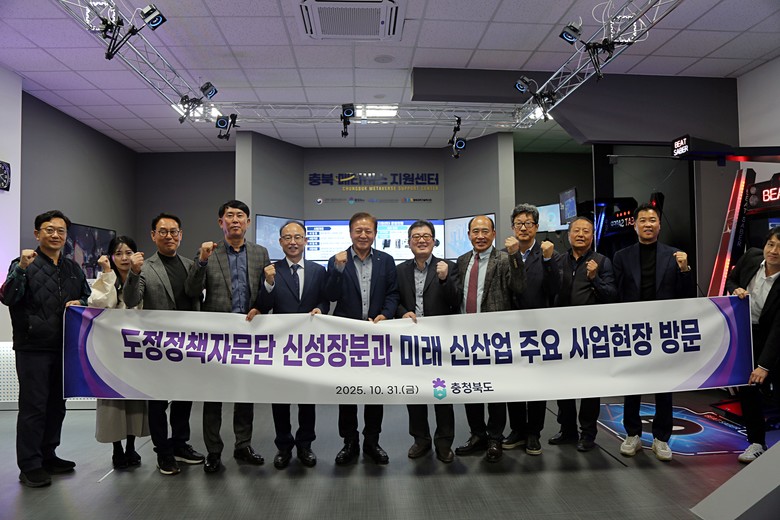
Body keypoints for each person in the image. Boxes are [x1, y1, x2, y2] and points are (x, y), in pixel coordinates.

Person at [1, 210, 91, 487]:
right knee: (34, 407)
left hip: (64, 347)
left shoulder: (73, 268)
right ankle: (30, 465)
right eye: (49, 229)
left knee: (56, 406)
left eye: (61, 231)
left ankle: (48, 455)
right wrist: (21, 269)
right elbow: (8, 297)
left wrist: (81, 303)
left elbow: (87, 297)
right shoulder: (23, 263)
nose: (55, 235)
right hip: (33, 348)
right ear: (37, 233)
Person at [184, 200, 269, 473]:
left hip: (249, 335)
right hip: (217, 337)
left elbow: (266, 291)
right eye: (229, 216)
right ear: (220, 222)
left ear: (248, 222)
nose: (235, 220)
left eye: (240, 216)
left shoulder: (260, 253)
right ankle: (214, 451)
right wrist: (201, 261)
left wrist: (261, 306)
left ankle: (243, 445)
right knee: (213, 396)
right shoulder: (209, 252)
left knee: (245, 394)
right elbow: (192, 290)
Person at [123, 213, 205, 476]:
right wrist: (133, 273)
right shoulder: (144, 267)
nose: (169, 236)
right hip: (157, 347)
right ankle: (163, 452)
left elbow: (197, 297)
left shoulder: (191, 265)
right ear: (153, 235)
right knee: (158, 402)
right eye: (163, 231)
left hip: (188, 343)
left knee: (184, 397)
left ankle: (180, 444)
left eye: (174, 231)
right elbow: (131, 300)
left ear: (181, 235)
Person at [613, 203, 695, 462]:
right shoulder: (621, 256)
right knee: (633, 384)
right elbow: (615, 295)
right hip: (633, 330)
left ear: (659, 224)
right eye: (643, 220)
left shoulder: (675, 255)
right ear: (634, 224)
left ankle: (661, 438)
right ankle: (632, 434)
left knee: (664, 385)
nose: (648, 224)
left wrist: (685, 270)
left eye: (652, 220)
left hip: (663, 331)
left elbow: (687, 296)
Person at [247, 220, 329, 469]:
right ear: (280, 242)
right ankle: (283, 446)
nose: (293, 242)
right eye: (287, 238)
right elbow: (263, 305)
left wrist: (320, 309)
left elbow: (324, 300)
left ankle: (305, 445)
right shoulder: (271, 270)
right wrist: (269, 283)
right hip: (281, 345)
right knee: (280, 398)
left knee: (307, 398)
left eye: (297, 237)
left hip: (309, 345)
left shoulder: (318, 271)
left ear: (305, 241)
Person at [324, 212, 399, 465]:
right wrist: (337, 270)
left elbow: (393, 293)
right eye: (358, 230)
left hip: (376, 336)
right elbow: (331, 295)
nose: (363, 235)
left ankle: (372, 441)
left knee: (374, 391)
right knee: (347, 392)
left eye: (368, 231)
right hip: (347, 337)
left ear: (375, 234)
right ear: (350, 233)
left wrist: (385, 314)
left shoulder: (386, 260)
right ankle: (349, 442)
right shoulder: (337, 260)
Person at [454, 215, 526, 463]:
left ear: (494, 234)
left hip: (494, 337)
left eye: (485, 231)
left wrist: (516, 256)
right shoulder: (462, 261)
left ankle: (495, 437)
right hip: (466, 337)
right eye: (475, 231)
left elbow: (519, 287)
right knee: (471, 389)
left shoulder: (504, 259)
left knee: (495, 390)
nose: (480, 236)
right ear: (469, 235)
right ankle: (477, 434)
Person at [549, 216, 616, 452]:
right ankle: (567, 429)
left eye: (586, 231)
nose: (580, 234)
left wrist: (594, 278)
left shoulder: (602, 261)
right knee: (563, 385)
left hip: (590, 336)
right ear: (568, 235)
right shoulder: (558, 261)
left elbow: (612, 295)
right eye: (576, 230)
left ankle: (588, 433)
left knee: (589, 387)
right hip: (561, 334)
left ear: (592, 236)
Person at [396, 220, 461, 463]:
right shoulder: (400, 270)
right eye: (416, 236)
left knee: (441, 394)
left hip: (440, 343)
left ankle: (444, 443)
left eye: (426, 236)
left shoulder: (448, 267)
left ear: (434, 240)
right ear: (409, 242)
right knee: (415, 394)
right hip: (411, 343)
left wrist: (444, 280)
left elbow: (456, 301)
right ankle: (420, 440)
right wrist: (402, 312)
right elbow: (395, 299)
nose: (421, 240)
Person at [503, 204, 561, 457]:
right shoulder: (503, 255)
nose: (523, 228)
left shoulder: (548, 253)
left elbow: (554, 289)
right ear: (512, 228)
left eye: (528, 223)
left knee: (537, 383)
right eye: (519, 224)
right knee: (513, 382)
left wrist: (548, 260)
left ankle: (533, 433)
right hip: (509, 329)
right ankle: (517, 430)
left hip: (538, 329)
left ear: (536, 227)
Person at [88, 236, 150, 469]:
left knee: (134, 399)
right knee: (112, 401)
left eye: (128, 252)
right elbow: (100, 305)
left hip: (136, 351)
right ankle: (117, 449)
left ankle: (131, 447)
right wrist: (107, 274)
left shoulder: (144, 277)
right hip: (110, 353)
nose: (124, 258)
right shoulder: (105, 279)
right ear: (110, 257)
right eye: (118, 253)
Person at [726, 227, 780, 463]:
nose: (774, 251)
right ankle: (756, 442)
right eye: (771, 244)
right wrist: (734, 289)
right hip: (746, 332)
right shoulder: (751, 257)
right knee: (748, 389)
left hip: (773, 338)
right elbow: (732, 279)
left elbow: (778, 329)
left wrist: (764, 365)